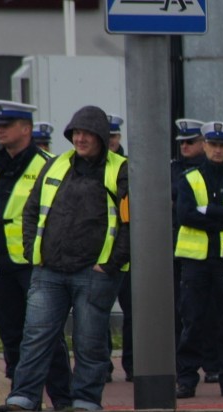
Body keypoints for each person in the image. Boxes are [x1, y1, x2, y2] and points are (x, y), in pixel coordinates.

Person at [0, 104, 130, 412]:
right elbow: (31, 211)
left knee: (90, 343)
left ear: (100, 136)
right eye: (76, 133)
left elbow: (130, 223)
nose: (80, 139)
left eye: (87, 133)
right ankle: (23, 398)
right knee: (35, 337)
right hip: (49, 271)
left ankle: (85, 402)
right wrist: (34, 252)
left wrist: (108, 265)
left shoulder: (119, 169)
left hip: (94, 273)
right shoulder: (56, 165)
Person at [0, 100, 71, 411]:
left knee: (45, 332)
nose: (0, 130)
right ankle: (23, 398)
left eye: (6, 125)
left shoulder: (47, 165)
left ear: (26, 128)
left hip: (35, 264)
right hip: (3, 263)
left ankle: (62, 399)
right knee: (11, 333)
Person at [174, 121, 223, 399]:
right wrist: (221, 215)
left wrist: (207, 211)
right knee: (192, 319)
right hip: (195, 262)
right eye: (213, 145)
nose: (217, 150)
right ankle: (187, 379)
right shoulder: (189, 178)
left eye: (222, 145)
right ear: (204, 145)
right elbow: (185, 216)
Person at [170, 118, 219, 384]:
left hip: (217, 253)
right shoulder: (174, 170)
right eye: (182, 143)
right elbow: (184, 212)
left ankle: (213, 365)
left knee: (215, 314)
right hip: (183, 252)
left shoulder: (213, 170)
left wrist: (209, 211)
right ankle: (185, 371)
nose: (185, 146)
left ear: (203, 143)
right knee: (187, 313)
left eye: (190, 142)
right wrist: (213, 213)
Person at [103, 112, 131, 383]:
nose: (110, 140)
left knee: (133, 314)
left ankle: (133, 366)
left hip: (128, 256)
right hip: (99, 254)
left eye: (113, 136)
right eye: (107, 135)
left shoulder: (129, 165)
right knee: (97, 315)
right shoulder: (94, 165)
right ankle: (104, 366)